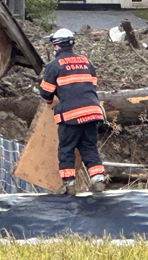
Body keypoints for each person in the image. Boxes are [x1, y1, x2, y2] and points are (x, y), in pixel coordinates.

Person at [39, 28, 106, 194]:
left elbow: (46, 91)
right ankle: (98, 181)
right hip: (92, 111)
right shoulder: (86, 62)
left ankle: (69, 185)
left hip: (71, 115)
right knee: (89, 147)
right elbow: (92, 85)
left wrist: (49, 102)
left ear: (56, 45)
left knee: (66, 149)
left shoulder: (54, 65)